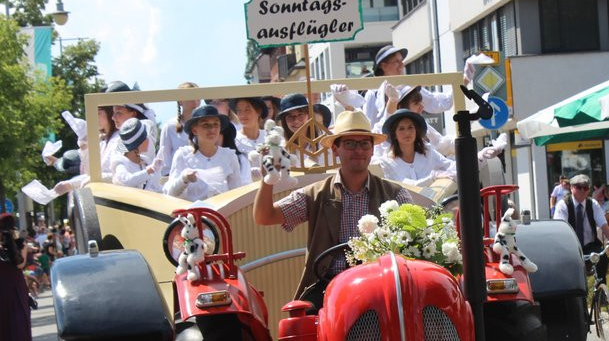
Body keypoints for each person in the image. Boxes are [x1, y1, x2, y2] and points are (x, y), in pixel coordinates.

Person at [253, 109, 411, 311]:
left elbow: (413, 238)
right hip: (328, 287)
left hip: (382, 285)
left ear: (372, 150)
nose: (358, 150)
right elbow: (264, 217)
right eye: (350, 144)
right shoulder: (315, 194)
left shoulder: (396, 195)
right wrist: (268, 179)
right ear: (335, 149)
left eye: (364, 144)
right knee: (298, 327)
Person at [165, 103, 249, 200]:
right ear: (195, 130)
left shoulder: (229, 156)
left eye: (216, 124)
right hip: (192, 213)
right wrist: (184, 179)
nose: (212, 129)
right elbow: (170, 194)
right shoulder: (182, 155)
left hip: (221, 213)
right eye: (206, 125)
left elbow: (236, 193)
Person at [373, 108, 456, 186]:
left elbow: (450, 166)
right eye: (401, 129)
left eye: (410, 127)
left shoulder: (428, 151)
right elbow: (404, 186)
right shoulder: (386, 162)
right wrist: (432, 177)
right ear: (394, 134)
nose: (407, 133)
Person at [554, 174, 609, 279]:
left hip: (590, 245)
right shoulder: (563, 205)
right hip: (570, 247)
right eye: (578, 187)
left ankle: (600, 289)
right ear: (571, 188)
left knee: (603, 258)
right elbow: (561, 230)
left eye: (585, 188)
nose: (582, 190)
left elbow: (603, 225)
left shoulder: (593, 203)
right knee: (568, 270)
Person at [156, 81, 199, 177]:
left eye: (197, 96)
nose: (195, 100)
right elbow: (165, 158)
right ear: (180, 101)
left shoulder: (205, 125)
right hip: (176, 181)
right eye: (190, 96)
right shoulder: (169, 126)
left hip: (201, 180)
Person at [111, 119, 163, 191]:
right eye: (145, 138)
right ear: (137, 144)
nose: (149, 140)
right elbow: (125, 181)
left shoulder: (145, 161)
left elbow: (155, 188)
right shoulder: (120, 162)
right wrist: (149, 170)